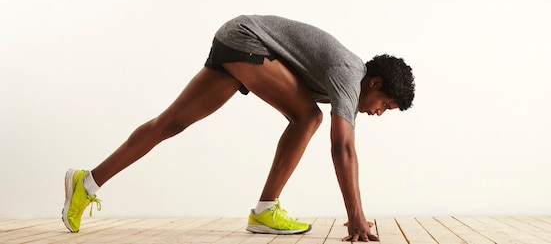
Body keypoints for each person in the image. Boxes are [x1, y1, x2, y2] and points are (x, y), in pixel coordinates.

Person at [62, 15, 415, 242]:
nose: (379, 113)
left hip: (236, 41)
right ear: (375, 83)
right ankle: (265, 210)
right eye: (385, 105)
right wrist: (357, 218)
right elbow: (343, 148)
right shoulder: (349, 74)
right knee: (309, 117)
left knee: (170, 123)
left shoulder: (349, 77)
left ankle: (87, 182)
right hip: (248, 41)